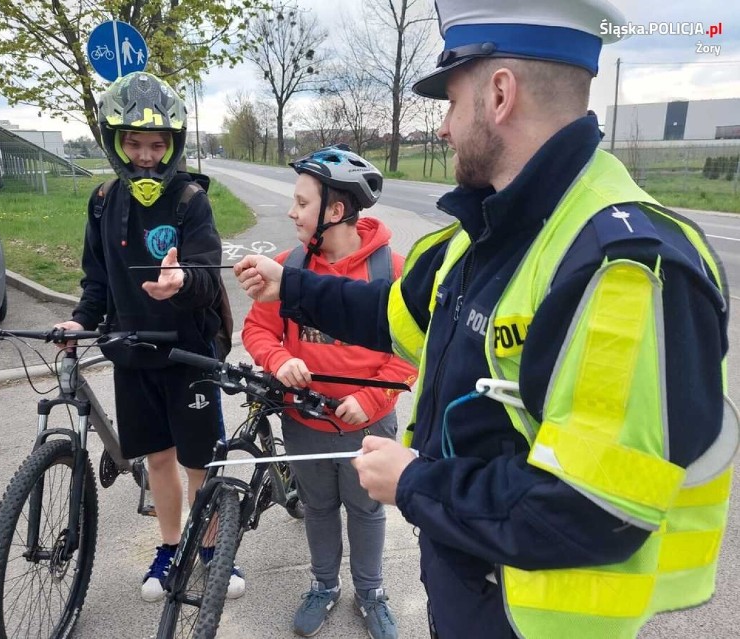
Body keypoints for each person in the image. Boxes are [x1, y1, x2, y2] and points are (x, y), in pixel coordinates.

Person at [233, 1, 737, 637]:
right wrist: (292, 288)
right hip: (470, 585)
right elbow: (395, 314)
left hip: (532, 618)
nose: (442, 127)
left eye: (449, 100)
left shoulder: (623, 267)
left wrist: (414, 481)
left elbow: (589, 508)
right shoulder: (491, 231)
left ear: (500, 94)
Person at [55, 71, 244, 603]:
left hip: (188, 352)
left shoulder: (189, 200)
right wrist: (79, 318)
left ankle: (211, 551)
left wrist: (182, 282)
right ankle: (170, 545)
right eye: (133, 143)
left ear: (173, 145)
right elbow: (97, 281)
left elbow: (209, 276)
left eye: (156, 144)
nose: (144, 155)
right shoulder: (101, 201)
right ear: (115, 143)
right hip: (132, 352)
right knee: (158, 459)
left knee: (199, 462)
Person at [242, 145, 417, 639]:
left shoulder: (391, 271)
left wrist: (372, 400)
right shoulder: (289, 266)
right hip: (304, 421)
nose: (292, 212)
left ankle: (371, 591)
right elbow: (258, 331)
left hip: (368, 425)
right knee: (318, 508)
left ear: (335, 212)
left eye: (301, 203)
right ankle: (323, 585)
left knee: (365, 510)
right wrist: (280, 360)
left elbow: (410, 352)